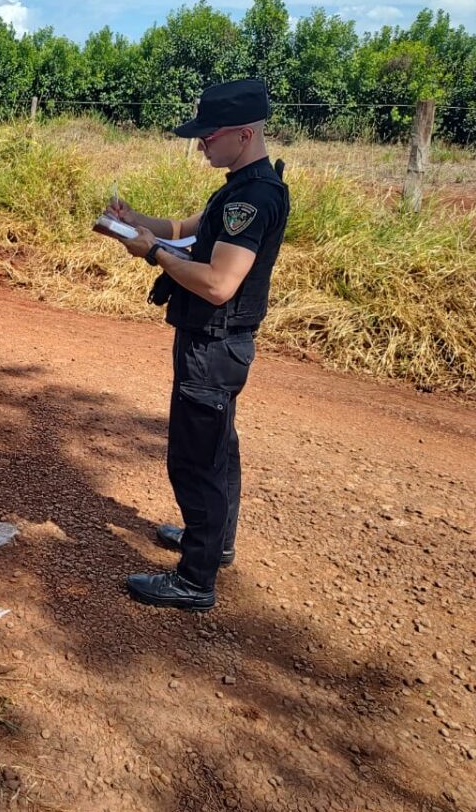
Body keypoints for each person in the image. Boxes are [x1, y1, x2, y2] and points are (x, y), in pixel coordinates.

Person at [103, 78, 290, 611]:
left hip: (213, 343)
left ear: (244, 133)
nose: (202, 144)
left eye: (210, 136)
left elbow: (217, 283)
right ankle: (214, 543)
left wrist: (150, 254)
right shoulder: (242, 186)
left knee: (196, 459)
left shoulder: (251, 198)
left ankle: (193, 579)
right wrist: (137, 222)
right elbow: (188, 228)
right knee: (218, 450)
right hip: (219, 344)